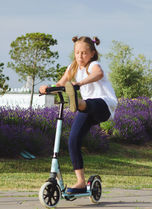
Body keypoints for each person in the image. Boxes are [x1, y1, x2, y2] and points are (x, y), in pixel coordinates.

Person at [39, 36, 117, 194]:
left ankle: (77, 102)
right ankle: (81, 182)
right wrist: (48, 88)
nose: (80, 56)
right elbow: (61, 84)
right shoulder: (73, 67)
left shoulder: (94, 65)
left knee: (88, 103)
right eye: (77, 53)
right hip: (86, 109)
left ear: (92, 54)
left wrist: (79, 84)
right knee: (73, 140)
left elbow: (99, 74)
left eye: (84, 53)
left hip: (104, 106)